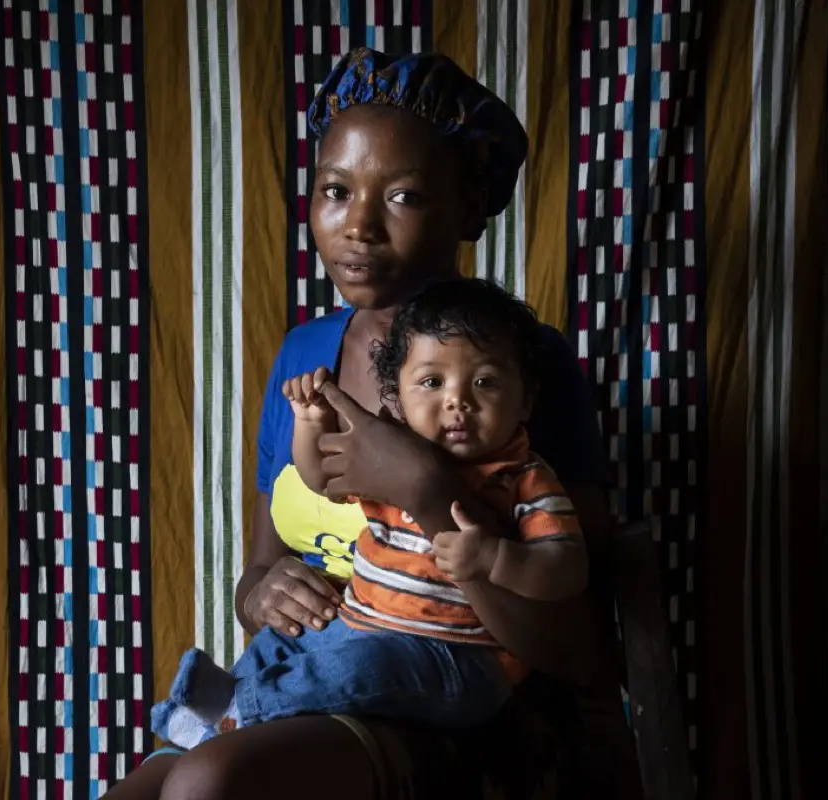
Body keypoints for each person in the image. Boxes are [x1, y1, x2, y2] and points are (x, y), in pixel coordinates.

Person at [106, 47, 628, 800]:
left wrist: (424, 489)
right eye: (335, 191)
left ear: (468, 204)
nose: (359, 228)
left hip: (463, 713)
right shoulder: (304, 356)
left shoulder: (516, 370)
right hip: (314, 681)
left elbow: (578, 652)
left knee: (208, 783)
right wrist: (259, 593)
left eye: (405, 197)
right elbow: (259, 572)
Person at [150, 280, 590, 749]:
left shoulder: (522, 477)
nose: (457, 402)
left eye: (485, 382)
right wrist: (311, 422)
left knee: (354, 669)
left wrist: (498, 560)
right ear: (397, 396)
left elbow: (567, 567)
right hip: (359, 628)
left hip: (459, 662)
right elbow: (319, 476)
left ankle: (238, 715)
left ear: (524, 399)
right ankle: (204, 717)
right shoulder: (391, 449)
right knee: (279, 647)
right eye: (432, 382)